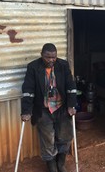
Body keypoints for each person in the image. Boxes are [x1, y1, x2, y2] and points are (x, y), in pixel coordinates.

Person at [21, 43, 77, 172]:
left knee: (65, 136)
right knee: (48, 139)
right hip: (43, 109)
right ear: (42, 55)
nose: (51, 60)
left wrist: (71, 105)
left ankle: (61, 163)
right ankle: (51, 166)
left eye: (54, 57)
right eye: (48, 57)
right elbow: (28, 90)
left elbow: (71, 86)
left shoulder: (63, 65)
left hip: (61, 107)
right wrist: (26, 111)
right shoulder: (33, 67)